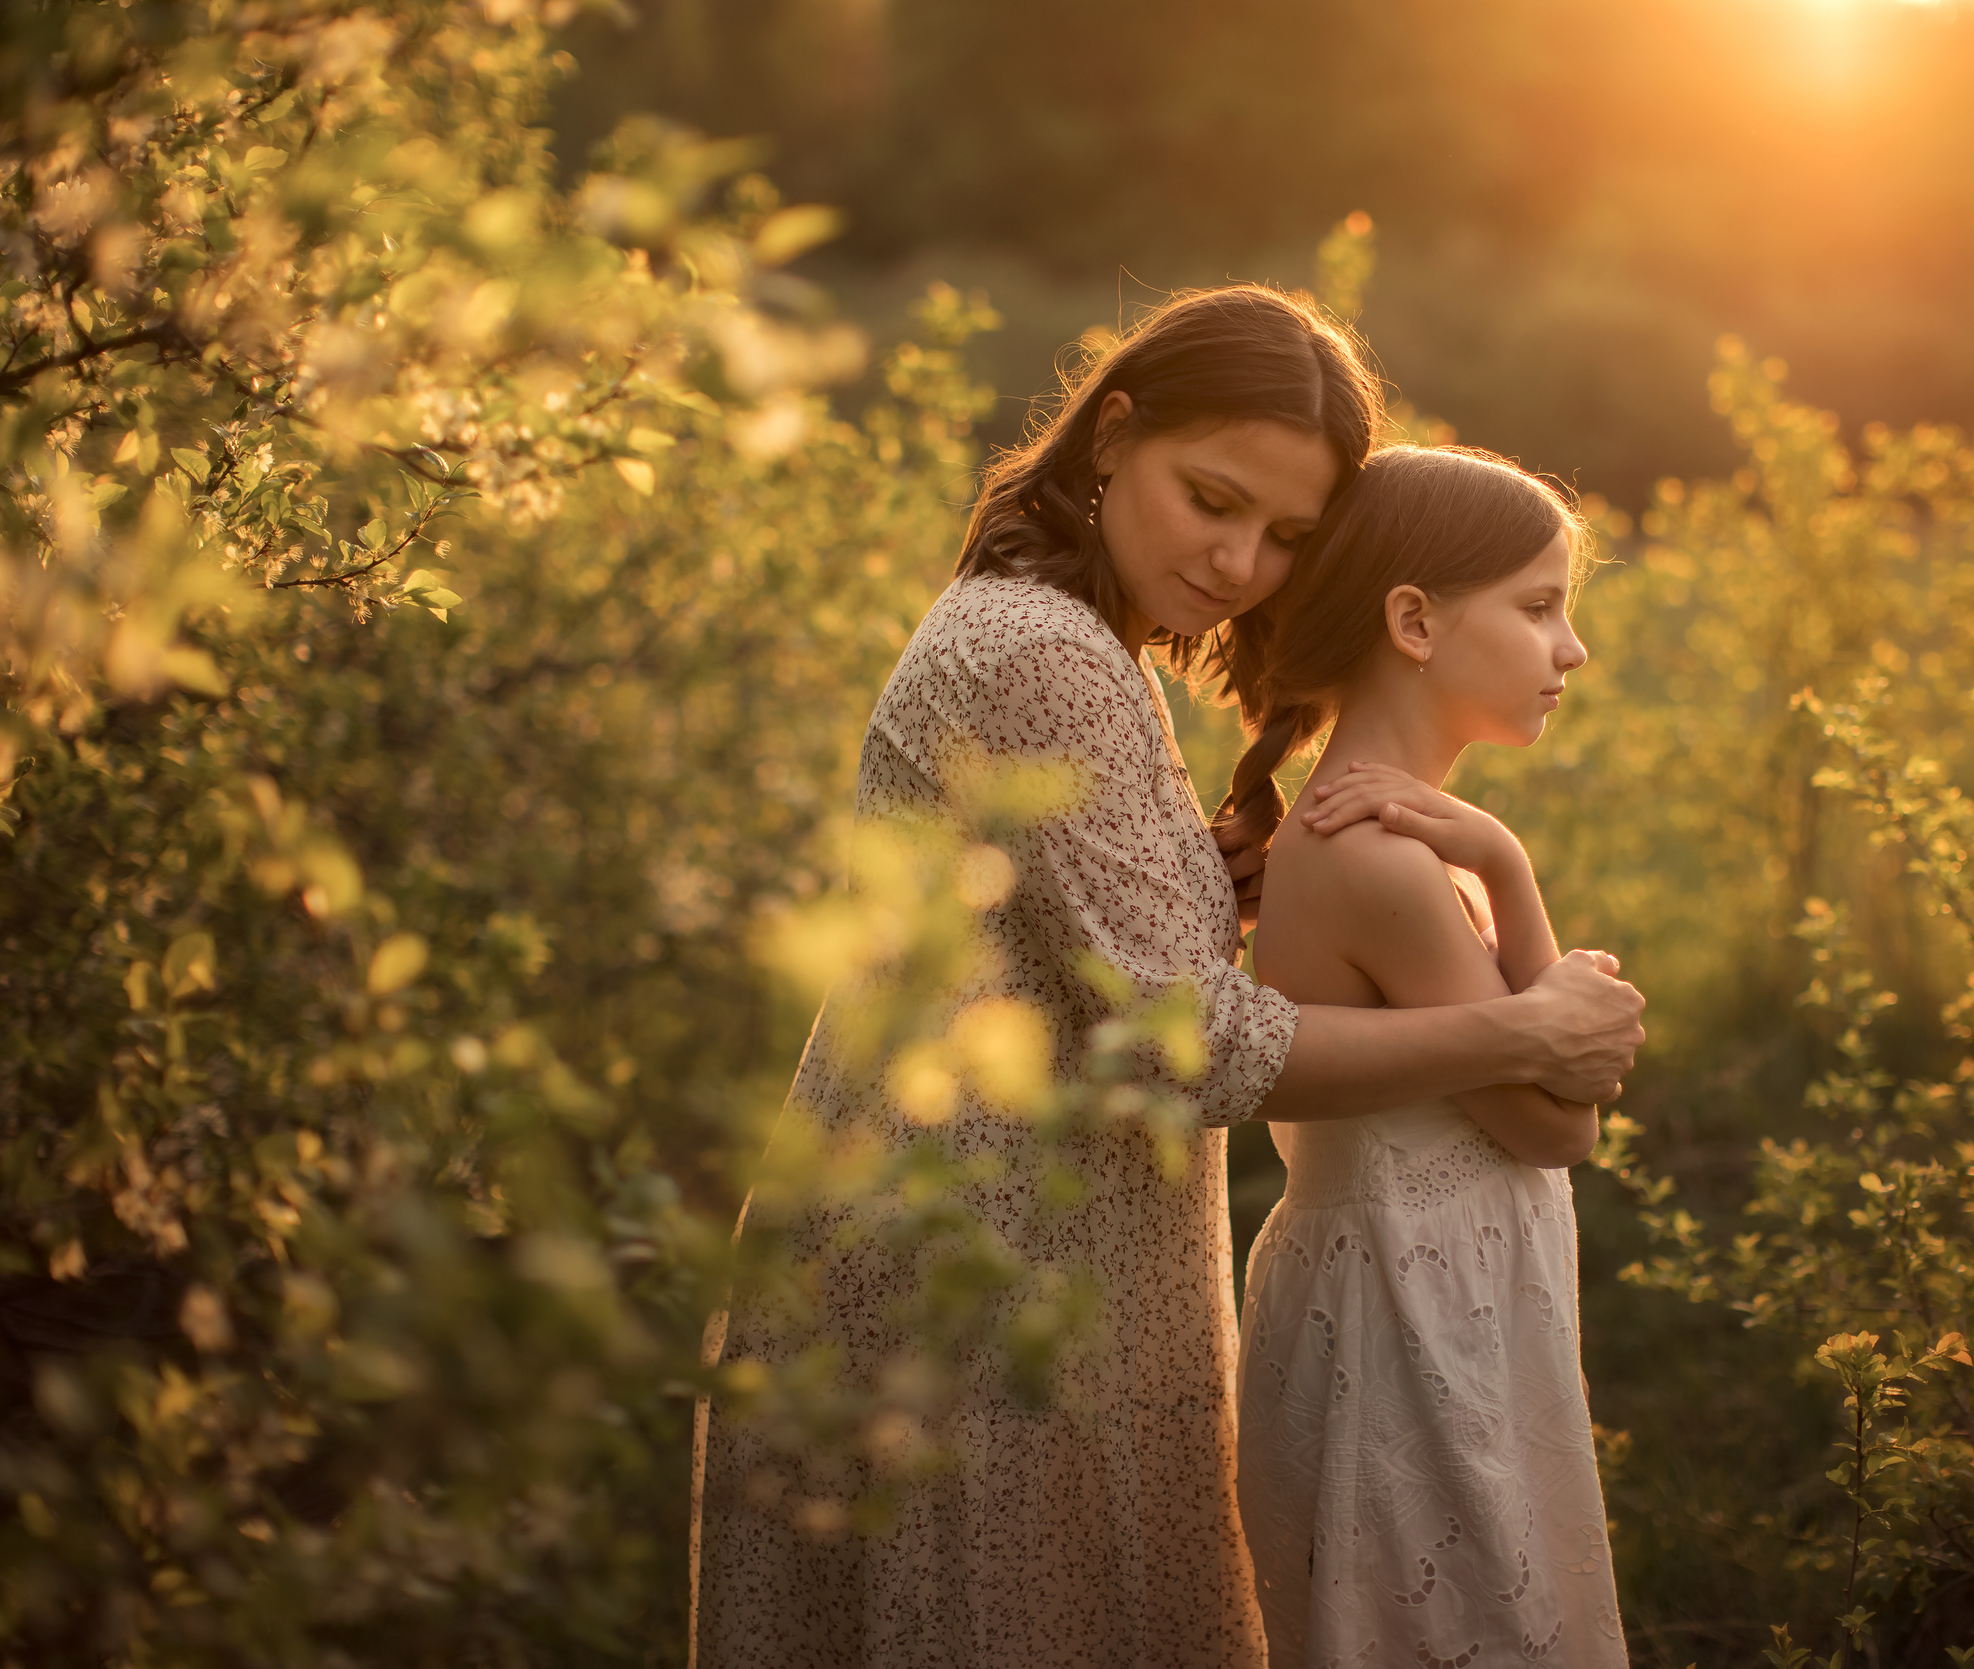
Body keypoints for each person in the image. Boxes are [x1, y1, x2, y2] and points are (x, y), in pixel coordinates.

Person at [692, 288, 1645, 1669]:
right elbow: (1180, 1042)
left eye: (1285, 537)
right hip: (976, 1268)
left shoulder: (1050, 630)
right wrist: (1520, 1023)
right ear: (1112, 432)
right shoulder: (1046, 652)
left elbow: (1052, 940)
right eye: (1213, 499)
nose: (1240, 561)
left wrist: (1199, 881)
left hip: (988, 1238)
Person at [1229, 445, 1626, 1666]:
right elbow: (1561, 1127)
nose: (1572, 650)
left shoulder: (1412, 834)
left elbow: (1553, 1100)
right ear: (1414, 619)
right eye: (1540, 605)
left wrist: (1502, 864)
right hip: (1403, 1334)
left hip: (1430, 1311)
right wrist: (1501, 866)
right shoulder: (1380, 853)